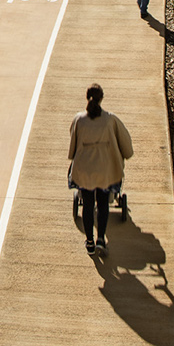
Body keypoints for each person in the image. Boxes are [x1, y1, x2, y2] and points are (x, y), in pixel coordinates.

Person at [68, 84, 133, 254]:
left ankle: (89, 241)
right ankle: (101, 239)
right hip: (106, 170)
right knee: (103, 203)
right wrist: (126, 154)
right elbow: (125, 141)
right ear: (101, 98)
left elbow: (73, 145)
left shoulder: (79, 119)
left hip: (85, 170)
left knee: (88, 204)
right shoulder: (110, 120)